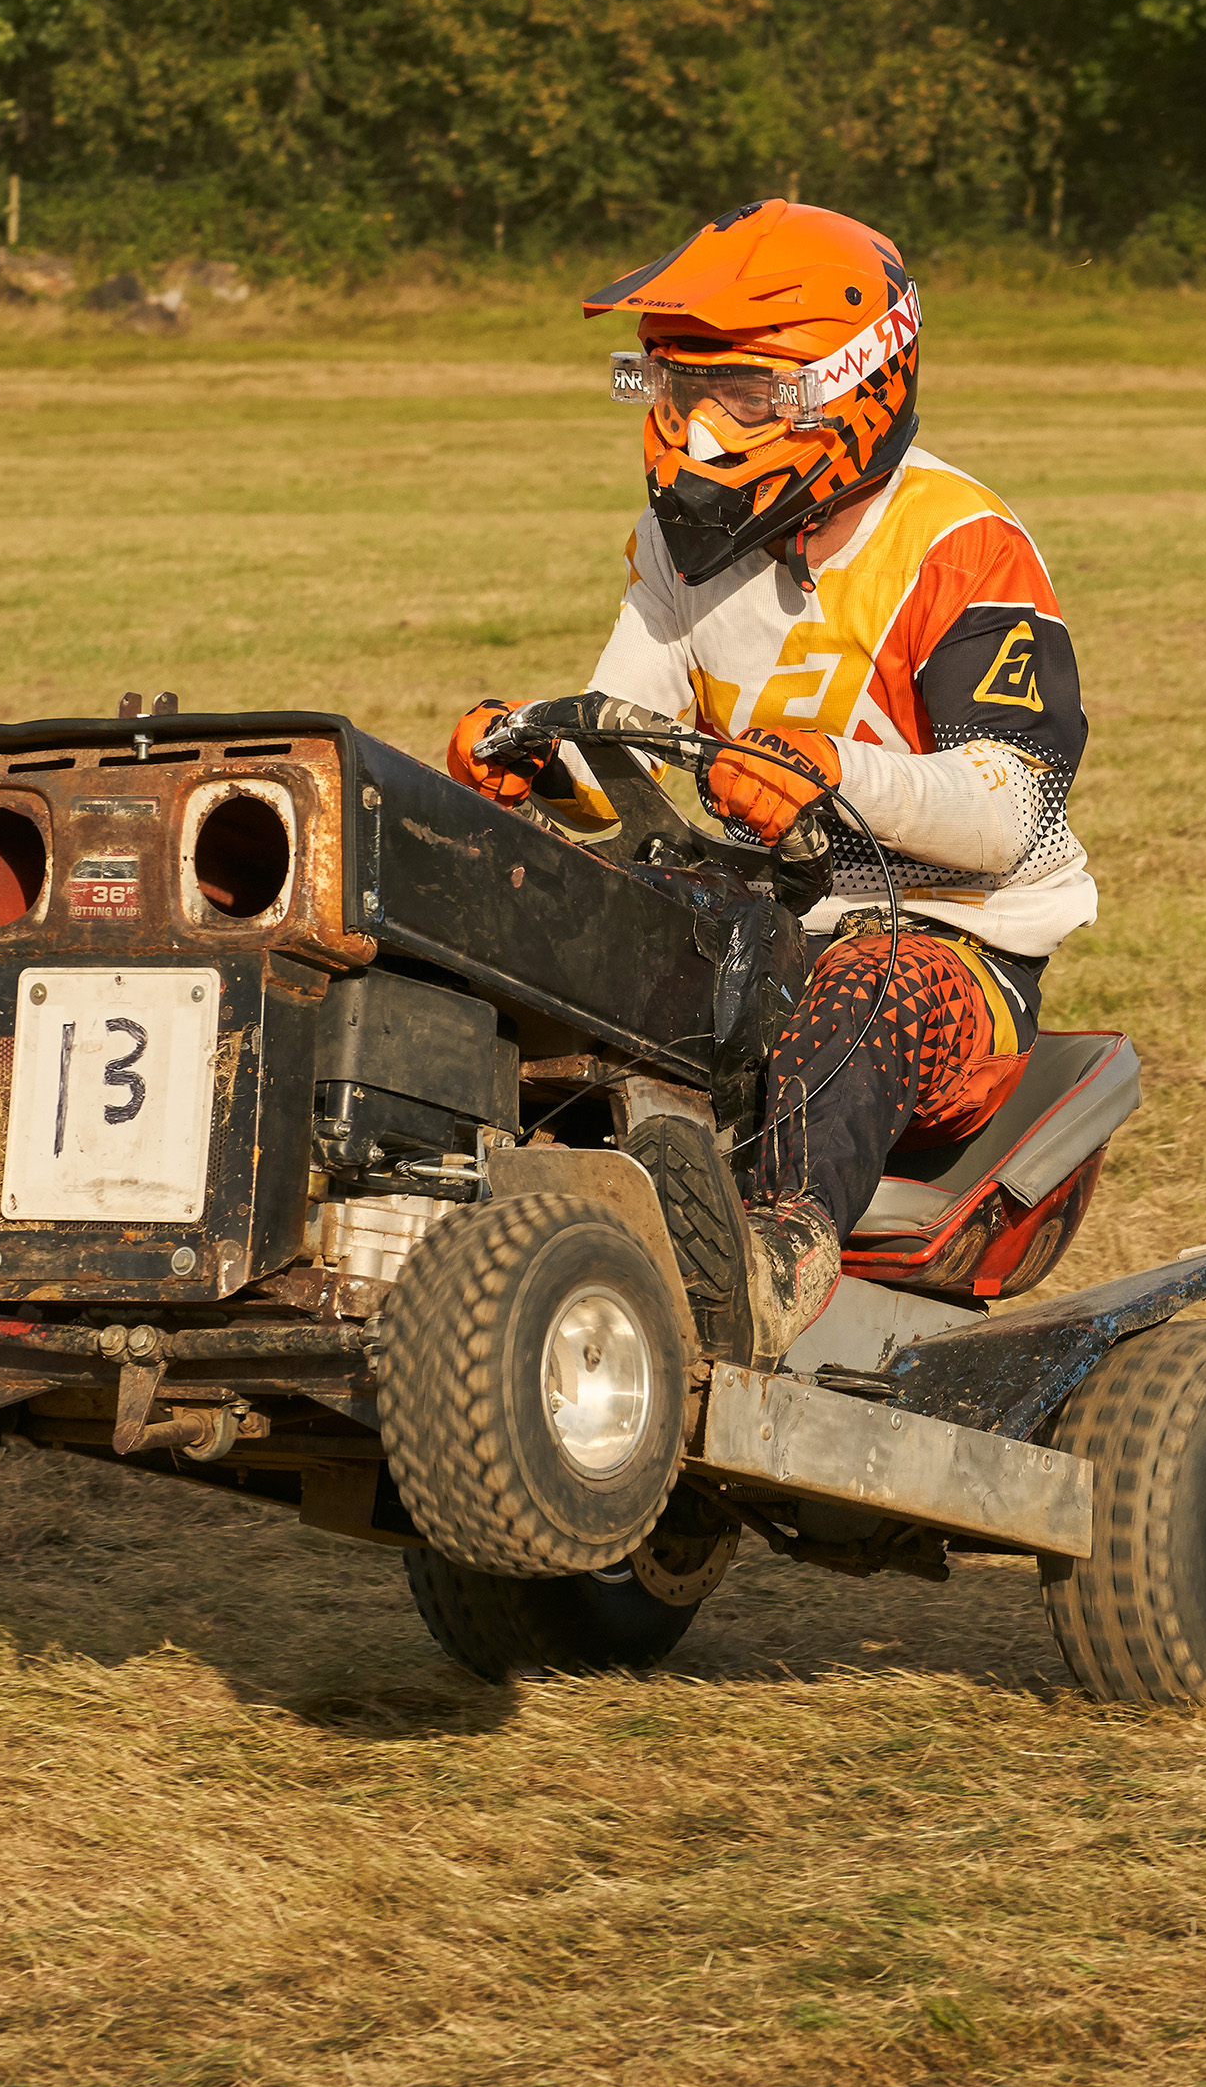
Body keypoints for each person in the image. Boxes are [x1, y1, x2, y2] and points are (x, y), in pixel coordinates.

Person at [446, 198, 1095, 1361]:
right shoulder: (683, 547)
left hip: (951, 944)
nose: (694, 432)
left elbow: (1013, 810)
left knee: (868, 985)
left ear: (854, 385)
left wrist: (831, 777)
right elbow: (624, 747)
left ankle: (773, 1260)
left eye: (738, 396)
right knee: (547, 935)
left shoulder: (960, 546)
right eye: (670, 389)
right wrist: (534, 764)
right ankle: (475, 1214)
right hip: (758, 914)